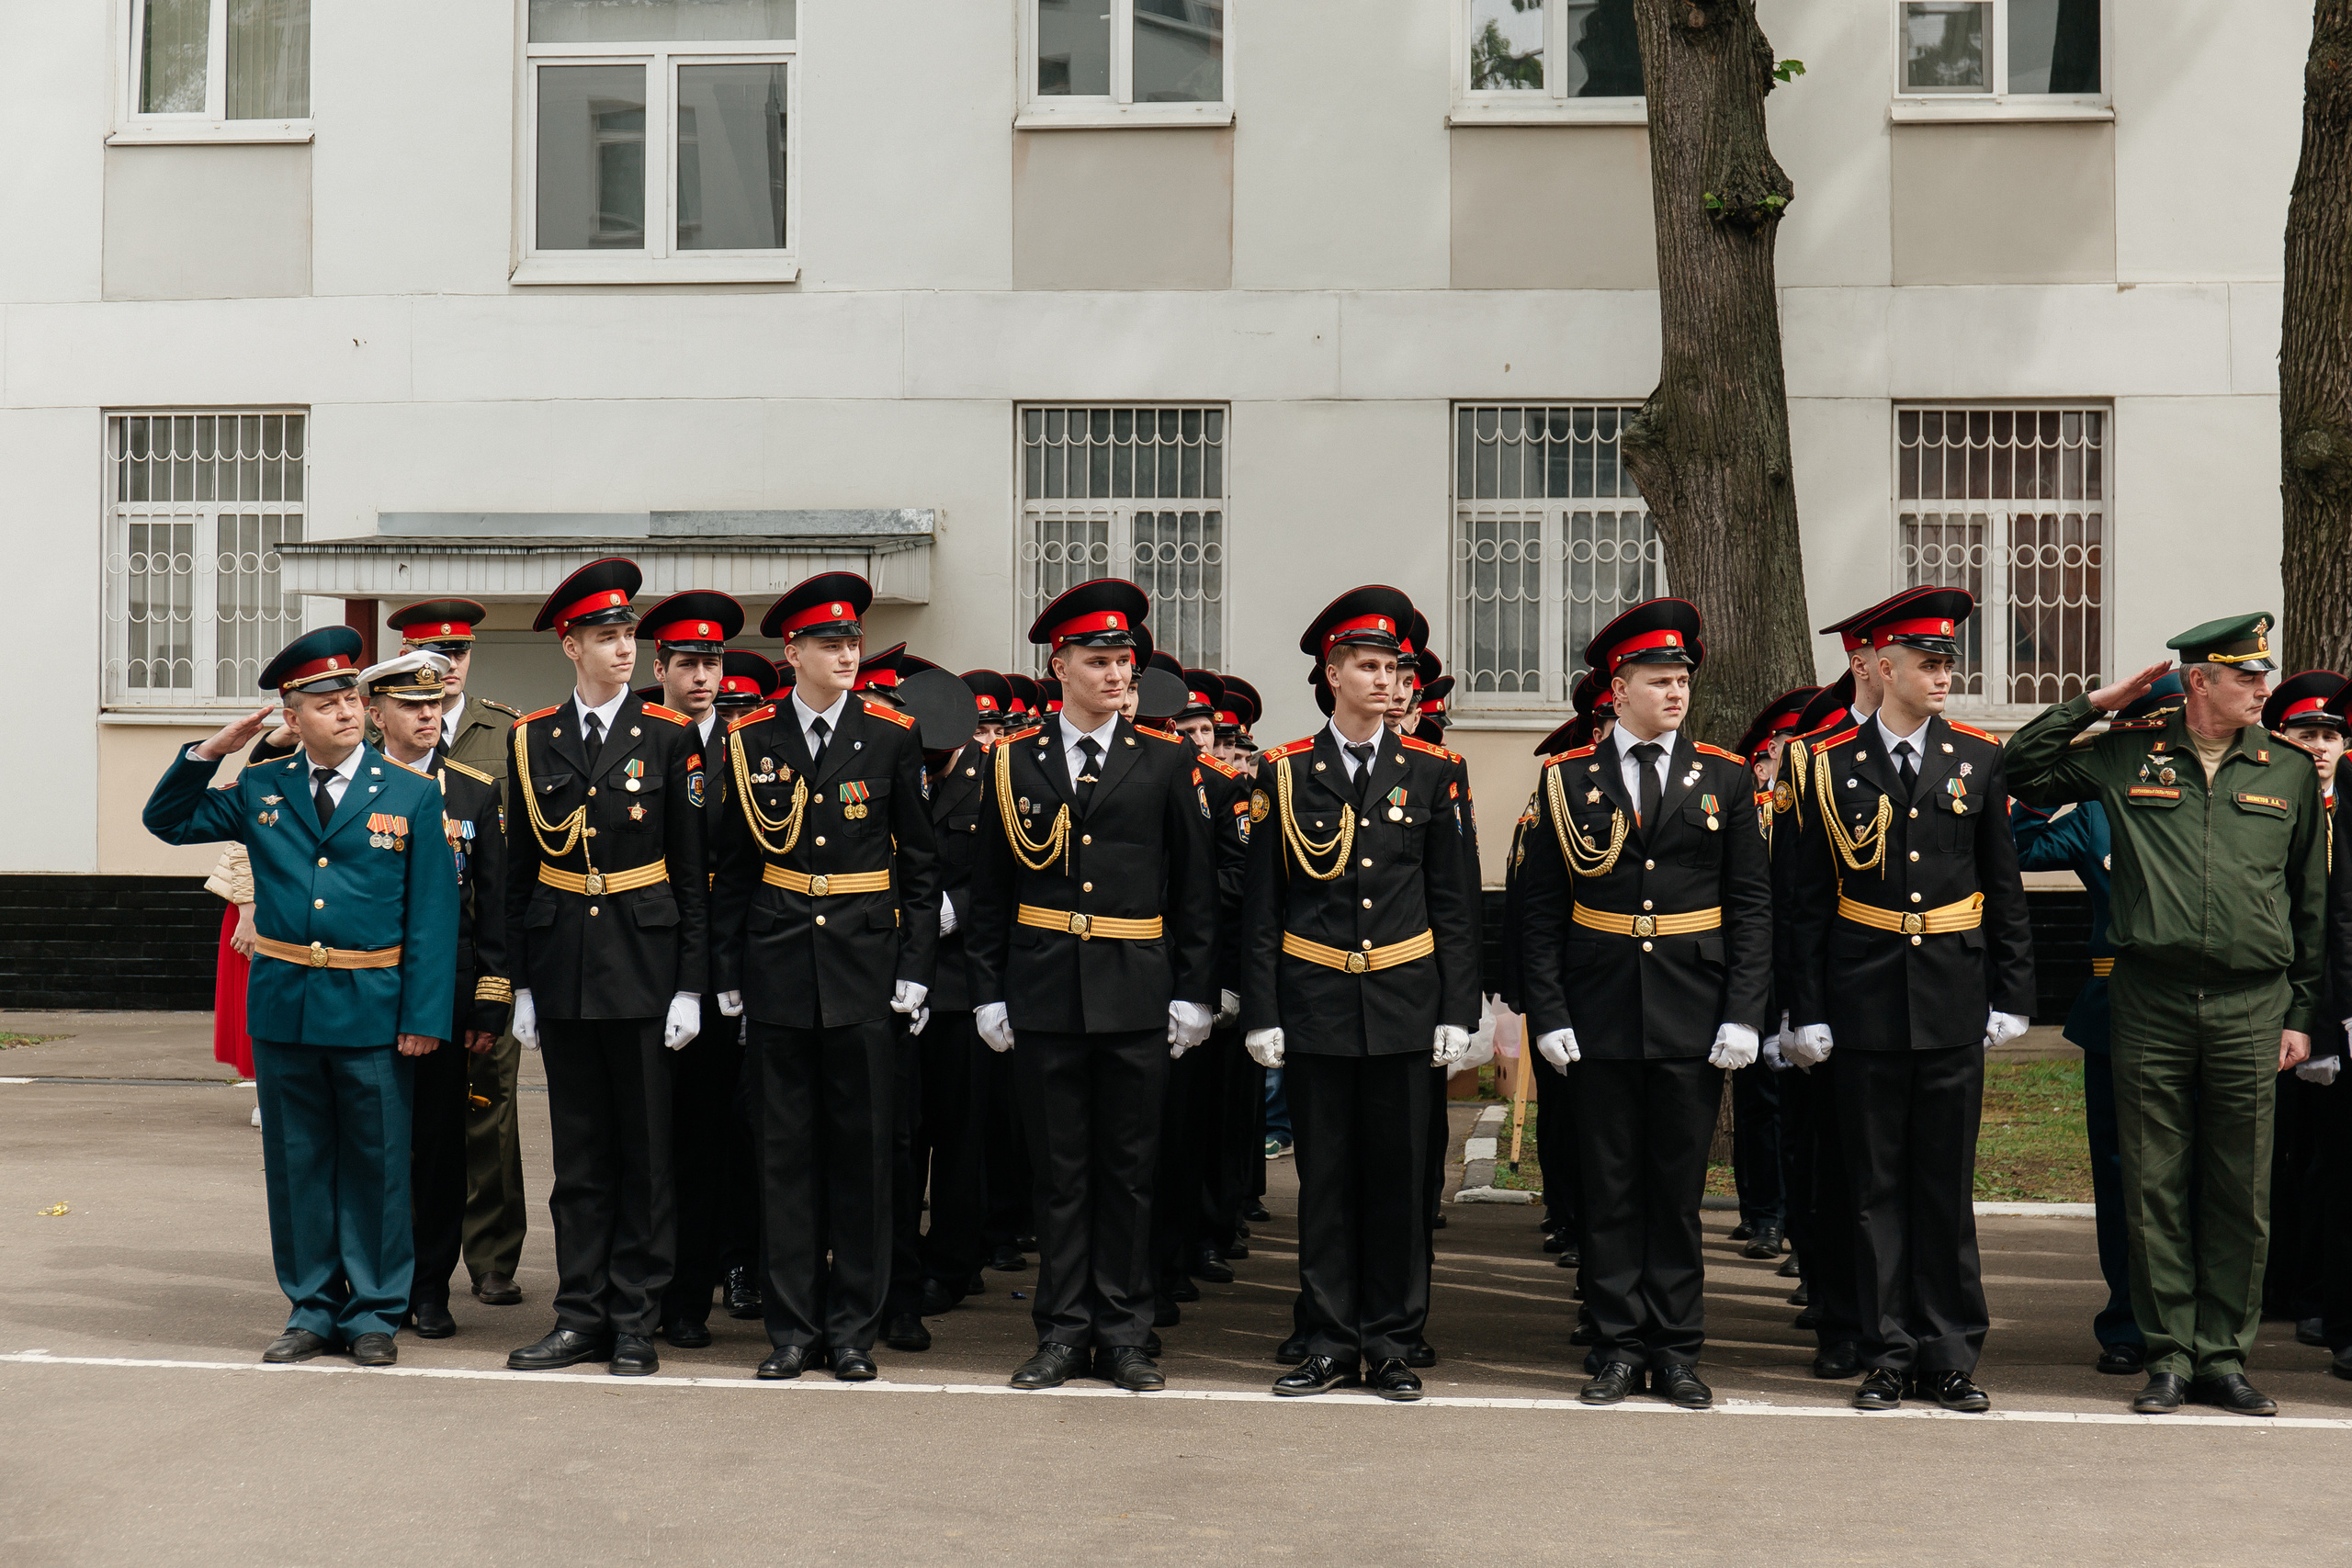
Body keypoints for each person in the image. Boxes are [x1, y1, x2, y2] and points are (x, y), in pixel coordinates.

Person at [2011, 614, 2324, 1416]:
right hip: (2148, 996)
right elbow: (2023, 771)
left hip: (2253, 1002)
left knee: (2238, 1189)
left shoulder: (2285, 769)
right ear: (2199, 681)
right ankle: (2169, 1355)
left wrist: (2302, 1010)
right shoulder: (2127, 753)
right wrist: (2089, 704)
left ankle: (2224, 1355)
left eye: (2262, 675)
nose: (2262, 688)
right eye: (2244, 676)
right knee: (2154, 1186)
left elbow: (2310, 902)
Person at [143, 625, 458, 1367]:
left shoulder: (410, 794)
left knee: (378, 1165)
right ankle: (311, 1306)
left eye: (350, 696)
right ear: (293, 716)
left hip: (374, 1006)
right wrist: (208, 753)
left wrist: (423, 1016)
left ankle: (375, 1311)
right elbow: (169, 821)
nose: (346, 710)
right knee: (297, 1163)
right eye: (326, 701)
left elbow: (433, 917)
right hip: (286, 1005)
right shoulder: (261, 788)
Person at [1784, 587, 2032, 1414]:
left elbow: (2005, 885)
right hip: (1863, 998)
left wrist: (2012, 991)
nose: (1942, 675)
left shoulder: (1977, 758)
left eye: (1947, 662)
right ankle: (1886, 1350)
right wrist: (1806, 1006)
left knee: (1943, 1186)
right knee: (1873, 1189)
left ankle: (1950, 1353)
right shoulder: (1821, 763)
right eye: (1927, 662)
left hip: (1953, 995)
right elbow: (1806, 900)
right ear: (1881, 667)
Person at [1517, 599, 1769, 1410]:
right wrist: (1548, 1013)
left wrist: (1743, 1012)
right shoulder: (1568, 779)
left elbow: (1751, 905)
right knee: (1609, 1187)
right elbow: (1540, 910)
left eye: (1682, 681)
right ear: (1617, 687)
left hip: (1694, 1008)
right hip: (1599, 1009)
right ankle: (1617, 1346)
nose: (1674, 693)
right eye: (1658, 680)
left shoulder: (1724, 777)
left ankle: (1678, 1348)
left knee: (1677, 1190)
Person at [967, 580, 1217, 1393]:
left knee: (1129, 1171)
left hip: (1136, 992)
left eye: (1125, 662)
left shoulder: (1169, 758)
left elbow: (1193, 888)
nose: (1116, 675)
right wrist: (989, 990)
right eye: (1099, 660)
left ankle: (1125, 1333)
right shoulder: (1011, 759)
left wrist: (1194, 991)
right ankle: (1062, 1330)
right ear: (1059, 664)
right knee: (1059, 1174)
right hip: (1043, 991)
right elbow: (990, 889)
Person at [1241, 587, 1481, 1402]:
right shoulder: (1283, 770)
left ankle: (1394, 1338)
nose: (1388, 681)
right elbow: (1264, 902)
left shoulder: (1436, 769)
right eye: (1370, 666)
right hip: (1313, 1000)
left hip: (1407, 1001)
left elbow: (1454, 901)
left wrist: (1459, 1008)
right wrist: (1264, 1011)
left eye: (1396, 669)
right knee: (1327, 1183)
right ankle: (1330, 1339)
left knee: (1398, 1183)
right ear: (1332, 672)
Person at [710, 573, 939, 1381]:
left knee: (864, 1158)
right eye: (831, 644)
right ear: (792, 652)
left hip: (865, 966)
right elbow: (731, 867)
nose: (847, 655)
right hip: (777, 964)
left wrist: (916, 967)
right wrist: (728, 970)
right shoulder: (750, 739)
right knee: (785, 1156)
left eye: (852, 643)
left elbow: (920, 865)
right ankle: (793, 1328)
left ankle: (853, 1330)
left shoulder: (890, 735)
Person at [503, 558, 710, 1379]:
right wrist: (519, 980)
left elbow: (692, 874)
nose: (623, 649)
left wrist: (691, 983)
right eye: (606, 636)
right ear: (571, 644)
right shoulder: (531, 738)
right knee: (579, 1157)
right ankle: (578, 1313)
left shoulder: (669, 737)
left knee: (646, 1155)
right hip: (563, 967)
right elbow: (518, 872)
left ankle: (636, 1316)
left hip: (645, 964)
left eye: (628, 635)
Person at [2006, 673, 2183, 1377]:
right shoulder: (2098, 807)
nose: (2161, 736)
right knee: (2122, 1177)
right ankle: (2128, 1321)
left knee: (2196, 1176)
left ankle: (2193, 1324)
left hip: (2194, 1005)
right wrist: (2074, 758)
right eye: (2149, 724)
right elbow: (2019, 845)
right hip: (2116, 1010)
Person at [359, 649, 513, 1341]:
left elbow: (496, 909)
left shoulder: (473, 790)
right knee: (371, 1147)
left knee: (441, 1148)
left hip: (446, 999)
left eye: (435, 704)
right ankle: (371, 1283)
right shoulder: (356, 786)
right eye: (412, 705)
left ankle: (429, 1287)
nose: (428, 714)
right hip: (366, 989)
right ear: (377, 713)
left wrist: (489, 1001)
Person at [625, 590, 761, 1353]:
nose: (703, 675)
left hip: (724, 977)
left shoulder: (745, 749)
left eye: (712, 662)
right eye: (688, 663)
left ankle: (691, 1299)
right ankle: (640, 1287)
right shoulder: (645, 742)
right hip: (650, 966)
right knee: (649, 1144)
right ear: (663, 668)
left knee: (712, 1143)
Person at [386, 597, 531, 1312]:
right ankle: (403, 1272)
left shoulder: (503, 732)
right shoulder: (370, 744)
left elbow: (509, 871)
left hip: (475, 966)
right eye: (427, 659)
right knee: (409, 1133)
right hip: (394, 972)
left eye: (457, 656)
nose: (444, 672)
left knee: (487, 1113)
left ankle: (494, 1255)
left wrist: (501, 982)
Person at [2258, 671, 2346, 1345]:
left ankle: (2318, 1289)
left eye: (2329, 734)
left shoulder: (2347, 807)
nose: (2317, 746)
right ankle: (2272, 1284)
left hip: (2331, 1008)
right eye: (2304, 733)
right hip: (2271, 1000)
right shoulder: (2266, 801)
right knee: (2271, 1149)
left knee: (2327, 1157)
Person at [1722, 686, 1818, 1265]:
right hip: (1756, 969)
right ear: (1761, 757)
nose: (1787, 756)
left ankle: (1799, 1221)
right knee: (1758, 1097)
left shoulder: (1817, 801)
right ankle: (1763, 1212)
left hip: (1802, 968)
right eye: (1781, 748)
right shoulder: (1749, 810)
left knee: (1800, 1102)